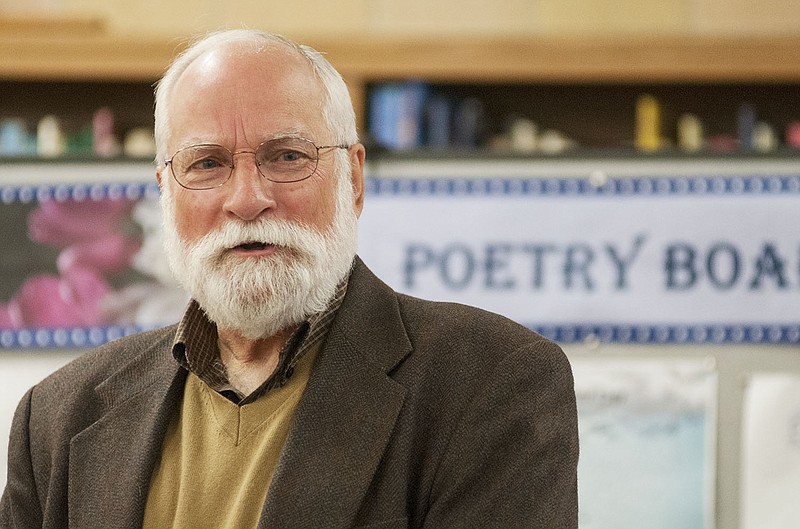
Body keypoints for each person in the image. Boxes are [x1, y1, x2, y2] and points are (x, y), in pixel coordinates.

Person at [0, 29, 579, 528]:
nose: (247, 199)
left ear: (352, 179)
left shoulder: (491, 382)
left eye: (286, 157)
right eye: (207, 164)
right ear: (164, 192)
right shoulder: (56, 419)